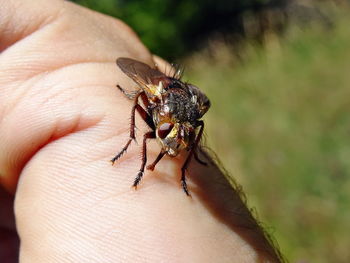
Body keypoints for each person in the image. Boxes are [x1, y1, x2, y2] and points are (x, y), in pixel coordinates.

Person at [0, 0, 283, 262]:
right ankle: (135, 143)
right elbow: (149, 102)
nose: (175, 143)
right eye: (172, 134)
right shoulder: (158, 106)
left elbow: (198, 113)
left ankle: (182, 163)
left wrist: (189, 157)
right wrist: (133, 144)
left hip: (183, 101)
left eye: (182, 137)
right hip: (163, 92)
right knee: (139, 100)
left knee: (189, 126)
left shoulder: (190, 121)